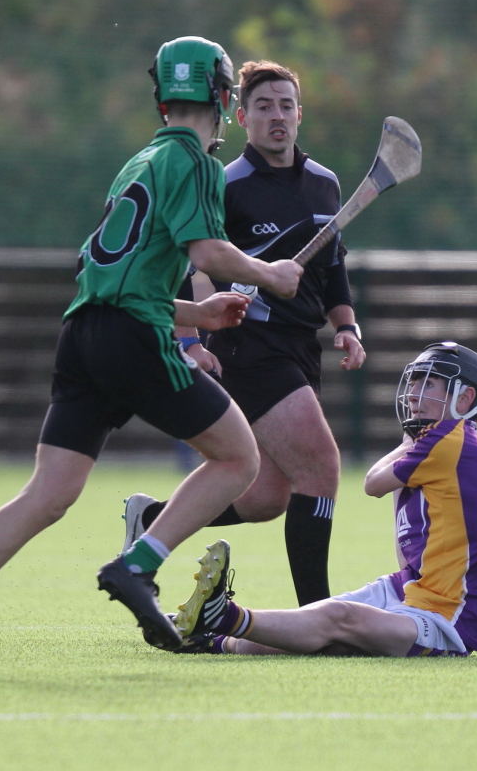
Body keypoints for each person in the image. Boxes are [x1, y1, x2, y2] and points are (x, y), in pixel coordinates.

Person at [0, 36, 305, 673]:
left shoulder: (138, 161)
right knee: (240, 457)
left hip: (85, 332)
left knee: (49, 492)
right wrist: (270, 274)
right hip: (130, 336)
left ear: (162, 97)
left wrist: (196, 314)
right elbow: (207, 254)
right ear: (223, 95)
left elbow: (115, 276)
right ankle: (137, 566)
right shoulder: (197, 163)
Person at [122, 60, 365, 607]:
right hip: (248, 345)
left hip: (303, 346)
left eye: (285, 105)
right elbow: (192, 264)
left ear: (300, 114)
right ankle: (316, 615)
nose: (276, 116)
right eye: (263, 106)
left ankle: (153, 522)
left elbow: (334, 267)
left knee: (265, 497)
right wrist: (191, 339)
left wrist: (345, 325)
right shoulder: (225, 184)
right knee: (321, 467)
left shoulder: (325, 184)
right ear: (241, 114)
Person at [161, 342, 477, 658]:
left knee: (335, 619)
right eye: (414, 380)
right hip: (410, 589)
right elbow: (406, 550)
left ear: (465, 399)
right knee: (316, 625)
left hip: (446, 621)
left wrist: (408, 443)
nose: (412, 392)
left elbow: (373, 482)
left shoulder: (450, 443)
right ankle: (208, 637)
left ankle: (221, 616)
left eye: (428, 383)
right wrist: (411, 442)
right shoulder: (445, 448)